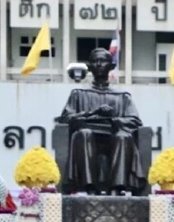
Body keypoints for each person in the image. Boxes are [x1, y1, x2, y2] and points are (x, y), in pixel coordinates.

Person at [56, 47, 145, 194]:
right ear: (89, 67)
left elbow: (134, 121)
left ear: (111, 66)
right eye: (95, 61)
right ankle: (90, 188)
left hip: (113, 139)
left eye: (103, 61)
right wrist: (93, 113)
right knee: (84, 133)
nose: (98, 64)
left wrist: (114, 120)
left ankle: (116, 189)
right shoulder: (78, 94)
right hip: (86, 140)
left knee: (123, 137)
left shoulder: (123, 97)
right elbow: (66, 118)